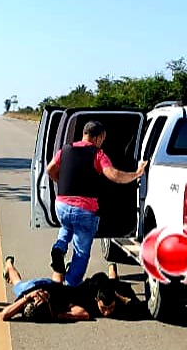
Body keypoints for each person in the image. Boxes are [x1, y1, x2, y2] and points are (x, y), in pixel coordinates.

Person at [46, 120, 147, 286]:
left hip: (62, 205)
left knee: (66, 227)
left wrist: (62, 182)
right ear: (98, 137)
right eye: (103, 138)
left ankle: (60, 247)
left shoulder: (65, 149)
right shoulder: (98, 154)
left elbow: (50, 169)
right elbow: (113, 174)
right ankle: (71, 286)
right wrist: (136, 174)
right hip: (84, 210)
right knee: (81, 253)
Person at [1, 257, 91, 321]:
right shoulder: (56, 301)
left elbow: (4, 314)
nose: (38, 298)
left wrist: (27, 297)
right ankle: (64, 270)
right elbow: (84, 314)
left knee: (18, 284)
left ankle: (9, 265)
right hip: (45, 286)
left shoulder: (27, 300)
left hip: (34, 286)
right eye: (40, 299)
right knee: (58, 283)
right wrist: (59, 316)